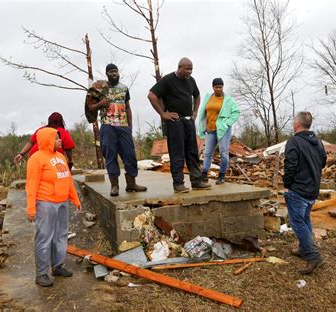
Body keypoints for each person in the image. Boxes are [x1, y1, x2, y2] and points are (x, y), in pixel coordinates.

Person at [26, 127, 82, 287]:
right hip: (46, 203)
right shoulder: (36, 159)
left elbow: (68, 180)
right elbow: (31, 185)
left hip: (62, 202)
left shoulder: (60, 157)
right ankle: (41, 274)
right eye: (57, 138)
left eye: (59, 138)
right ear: (47, 140)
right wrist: (31, 208)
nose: (60, 140)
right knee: (44, 238)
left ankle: (58, 266)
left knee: (61, 235)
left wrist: (75, 200)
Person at [148, 57, 211, 193]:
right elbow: (151, 95)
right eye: (187, 69)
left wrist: (195, 112)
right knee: (177, 153)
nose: (190, 71)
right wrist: (163, 114)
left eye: (191, 69)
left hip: (188, 121)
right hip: (175, 121)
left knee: (192, 151)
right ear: (180, 67)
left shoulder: (191, 81)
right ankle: (178, 184)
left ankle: (196, 180)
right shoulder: (168, 80)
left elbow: (197, 95)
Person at [87, 63, 147, 196]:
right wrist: (100, 104)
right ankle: (114, 186)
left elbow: (128, 107)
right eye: (111, 72)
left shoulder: (124, 88)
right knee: (110, 155)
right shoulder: (99, 88)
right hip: (108, 126)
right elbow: (90, 108)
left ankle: (131, 184)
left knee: (130, 154)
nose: (114, 74)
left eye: (116, 71)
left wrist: (130, 127)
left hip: (123, 126)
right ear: (107, 74)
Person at [283, 111, 327, 275]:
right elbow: (322, 163)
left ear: (297, 124)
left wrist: (287, 185)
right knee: (305, 218)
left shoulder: (294, 142)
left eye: (294, 122)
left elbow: (290, 166)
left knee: (297, 223)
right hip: (312, 189)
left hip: (298, 190)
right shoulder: (318, 142)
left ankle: (313, 256)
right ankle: (303, 249)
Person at [197, 78, 240, 185]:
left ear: (222, 87)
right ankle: (204, 173)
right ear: (213, 87)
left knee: (223, 153)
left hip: (223, 130)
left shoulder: (228, 99)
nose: (218, 89)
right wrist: (202, 126)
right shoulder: (208, 97)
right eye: (216, 87)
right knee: (207, 153)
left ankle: (221, 175)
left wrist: (227, 123)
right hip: (210, 130)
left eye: (220, 87)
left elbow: (236, 112)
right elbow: (203, 111)